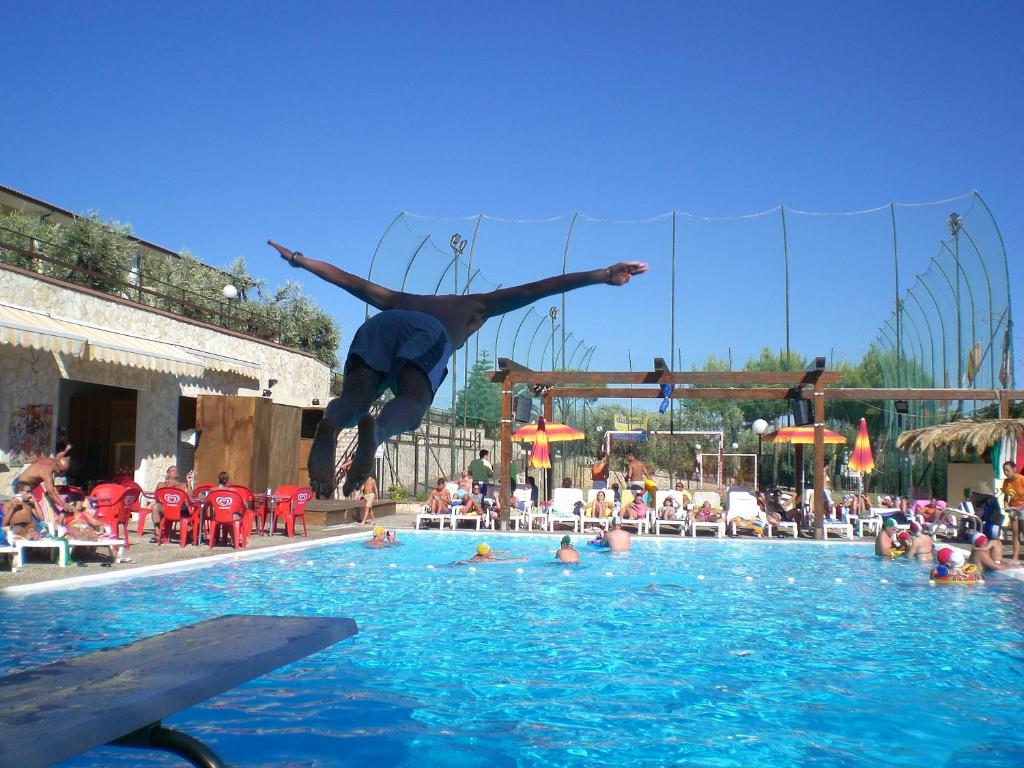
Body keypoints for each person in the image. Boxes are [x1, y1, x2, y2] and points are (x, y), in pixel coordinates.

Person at [269, 239, 648, 498]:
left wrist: (300, 260)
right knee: (413, 402)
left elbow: (349, 281)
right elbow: (539, 288)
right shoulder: (473, 307)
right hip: (425, 335)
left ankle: (332, 424)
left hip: (380, 326)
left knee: (353, 399)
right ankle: (379, 428)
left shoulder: (401, 298)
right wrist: (602, 274)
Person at [14, 444, 72, 526]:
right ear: (56, 465)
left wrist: (66, 450)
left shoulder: (54, 460)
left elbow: (60, 455)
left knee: (35, 506)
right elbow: (51, 493)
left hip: (28, 486)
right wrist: (63, 504)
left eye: (63, 472)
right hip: (20, 485)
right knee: (31, 511)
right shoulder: (46, 473)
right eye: (60, 471)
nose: (60, 473)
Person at [149, 465, 191, 531]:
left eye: (176, 470)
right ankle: (158, 531)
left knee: (188, 517)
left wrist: (189, 482)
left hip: (180, 510)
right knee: (155, 506)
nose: (176, 471)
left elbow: (190, 497)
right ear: (168, 474)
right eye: (173, 470)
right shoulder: (161, 485)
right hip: (166, 509)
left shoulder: (183, 485)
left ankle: (188, 532)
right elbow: (156, 497)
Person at [1000, 460, 1023, 562]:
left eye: (1007, 470)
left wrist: (1021, 507)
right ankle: (1015, 558)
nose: (1006, 472)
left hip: (1022, 507)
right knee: (1015, 532)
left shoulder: (1022, 479)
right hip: (1013, 508)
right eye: (1004, 471)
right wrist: (1006, 505)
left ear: (1014, 469)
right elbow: (1006, 496)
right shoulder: (1006, 482)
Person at [459, 542, 528, 564]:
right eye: (489, 550)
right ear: (485, 553)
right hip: (464, 564)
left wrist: (501, 553)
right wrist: (520, 559)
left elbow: (491, 554)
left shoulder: (477, 555)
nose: (491, 551)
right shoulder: (485, 560)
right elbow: (504, 560)